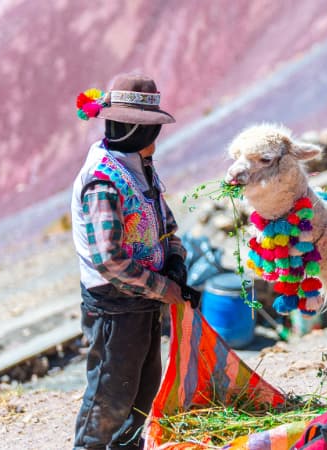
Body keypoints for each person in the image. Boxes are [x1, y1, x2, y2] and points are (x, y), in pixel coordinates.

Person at [70, 73, 198, 449]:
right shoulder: (103, 181)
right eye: (147, 129)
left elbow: (165, 225)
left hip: (144, 299)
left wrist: (174, 260)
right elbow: (109, 259)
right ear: (129, 128)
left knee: (142, 394)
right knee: (110, 395)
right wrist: (165, 288)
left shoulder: (139, 168)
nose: (153, 138)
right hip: (115, 305)